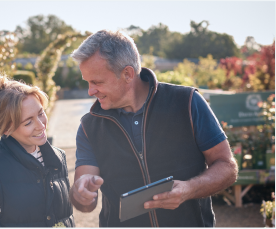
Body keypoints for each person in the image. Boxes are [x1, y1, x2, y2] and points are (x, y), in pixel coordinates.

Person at [69, 30, 238, 227]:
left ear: (127, 74)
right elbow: (85, 202)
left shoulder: (187, 102)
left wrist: (189, 189)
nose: (90, 91)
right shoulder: (89, 127)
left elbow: (227, 166)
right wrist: (81, 194)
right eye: (87, 82)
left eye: (97, 82)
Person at [0, 71, 74, 227]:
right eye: (28, 122)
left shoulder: (58, 157)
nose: (41, 125)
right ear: (7, 128)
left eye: (41, 113)